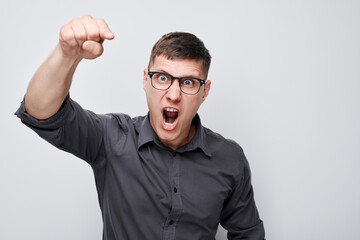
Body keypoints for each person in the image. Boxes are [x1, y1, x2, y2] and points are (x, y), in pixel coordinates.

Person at [16, 15, 265, 240]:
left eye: (188, 82)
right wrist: (65, 54)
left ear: (204, 91)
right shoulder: (111, 138)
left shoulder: (229, 159)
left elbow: (248, 234)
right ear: (146, 80)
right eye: (163, 78)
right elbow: (41, 112)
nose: (174, 94)